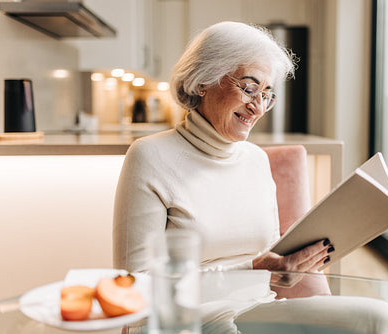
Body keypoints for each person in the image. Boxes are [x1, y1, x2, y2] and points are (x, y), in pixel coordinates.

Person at [112, 21, 333, 275]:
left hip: (262, 306)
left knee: (377, 314)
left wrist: (296, 261)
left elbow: (271, 258)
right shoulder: (149, 156)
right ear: (202, 82)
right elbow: (135, 279)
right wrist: (251, 268)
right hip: (189, 314)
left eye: (267, 95)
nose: (258, 108)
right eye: (249, 89)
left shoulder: (257, 160)